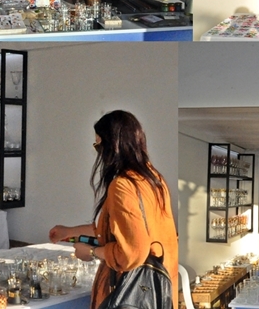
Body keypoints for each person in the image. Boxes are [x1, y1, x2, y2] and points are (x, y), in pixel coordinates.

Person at [48, 111, 178, 309]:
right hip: (159, 288)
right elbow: (121, 229)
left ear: (112, 146)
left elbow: (132, 252)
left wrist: (92, 252)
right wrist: (70, 231)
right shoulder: (153, 179)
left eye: (98, 145)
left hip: (130, 292)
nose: (98, 152)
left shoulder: (123, 185)